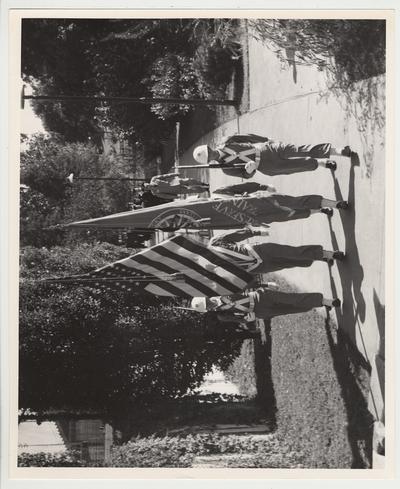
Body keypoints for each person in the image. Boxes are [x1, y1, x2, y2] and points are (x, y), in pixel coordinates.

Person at [193, 133, 354, 179]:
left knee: (300, 149)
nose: (212, 153)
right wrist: (249, 171)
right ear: (209, 161)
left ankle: (338, 151)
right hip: (266, 167)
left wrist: (266, 140)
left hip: (266, 150)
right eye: (209, 157)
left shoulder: (226, 141)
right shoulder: (226, 169)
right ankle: (321, 164)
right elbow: (245, 175)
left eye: (209, 150)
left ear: (209, 146)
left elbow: (248, 137)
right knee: (297, 166)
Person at [207, 226, 345, 273]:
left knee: (292, 253)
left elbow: (235, 236)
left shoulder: (214, 242)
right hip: (256, 268)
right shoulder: (208, 270)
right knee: (290, 262)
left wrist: (256, 232)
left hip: (257, 250)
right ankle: (320, 257)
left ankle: (330, 254)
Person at [190, 286, 341, 325]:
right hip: (261, 312)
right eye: (207, 306)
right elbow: (240, 320)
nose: (210, 304)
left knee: (292, 299)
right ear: (207, 310)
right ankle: (317, 304)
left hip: (260, 296)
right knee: (291, 309)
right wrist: (247, 320)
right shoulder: (222, 316)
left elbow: (242, 286)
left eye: (207, 301)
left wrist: (263, 284)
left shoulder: (221, 291)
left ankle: (326, 301)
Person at [142, 172, 209, 199]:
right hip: (176, 191)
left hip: (176, 182)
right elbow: (165, 196)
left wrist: (175, 174)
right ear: (147, 189)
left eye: (147, 185)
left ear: (147, 183)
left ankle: (203, 184)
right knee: (191, 190)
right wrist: (175, 197)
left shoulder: (154, 179)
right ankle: (205, 189)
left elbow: (165, 176)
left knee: (189, 180)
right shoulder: (155, 193)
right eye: (147, 188)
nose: (148, 186)